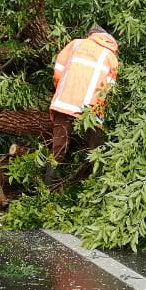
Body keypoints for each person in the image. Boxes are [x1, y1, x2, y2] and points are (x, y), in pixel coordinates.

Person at [47, 24, 119, 179]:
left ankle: (46, 188)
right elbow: (109, 90)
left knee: (58, 149)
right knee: (95, 151)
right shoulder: (111, 57)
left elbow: (58, 72)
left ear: (93, 34)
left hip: (65, 103)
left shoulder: (76, 44)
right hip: (91, 111)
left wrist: (63, 91)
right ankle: (97, 186)